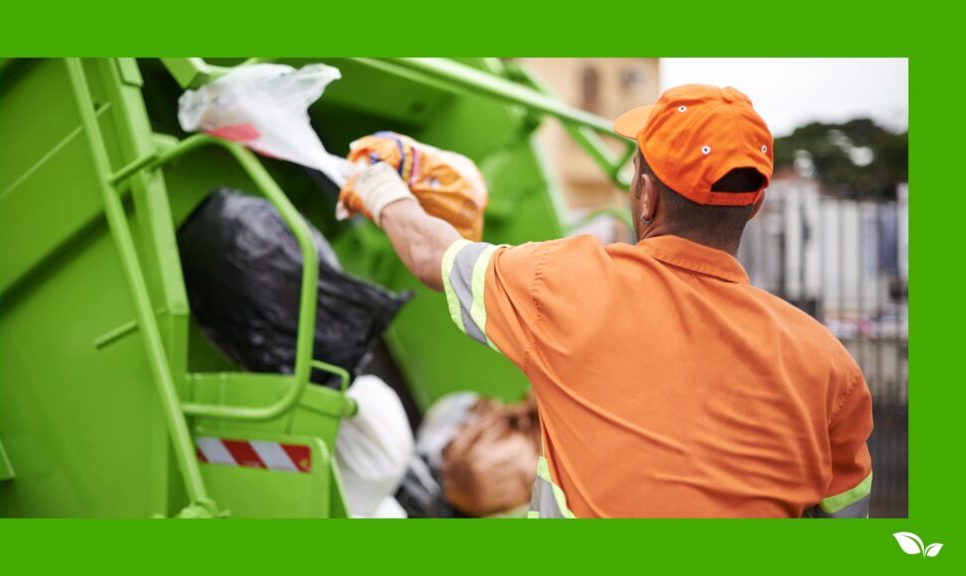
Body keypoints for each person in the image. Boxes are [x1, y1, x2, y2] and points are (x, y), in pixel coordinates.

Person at [347, 84, 873, 518]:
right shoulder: (830, 368)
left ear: (646, 196)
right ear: (754, 205)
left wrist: (377, 184)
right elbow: (849, 519)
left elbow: (430, 256)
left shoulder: (563, 282)